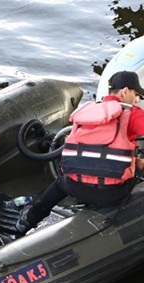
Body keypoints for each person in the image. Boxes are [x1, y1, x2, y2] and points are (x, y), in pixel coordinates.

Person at [13, 70, 144, 237]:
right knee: (136, 170)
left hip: (76, 187)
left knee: (61, 183)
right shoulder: (132, 114)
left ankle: (25, 222)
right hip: (113, 194)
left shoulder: (87, 111)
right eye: (136, 94)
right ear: (125, 91)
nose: (137, 100)